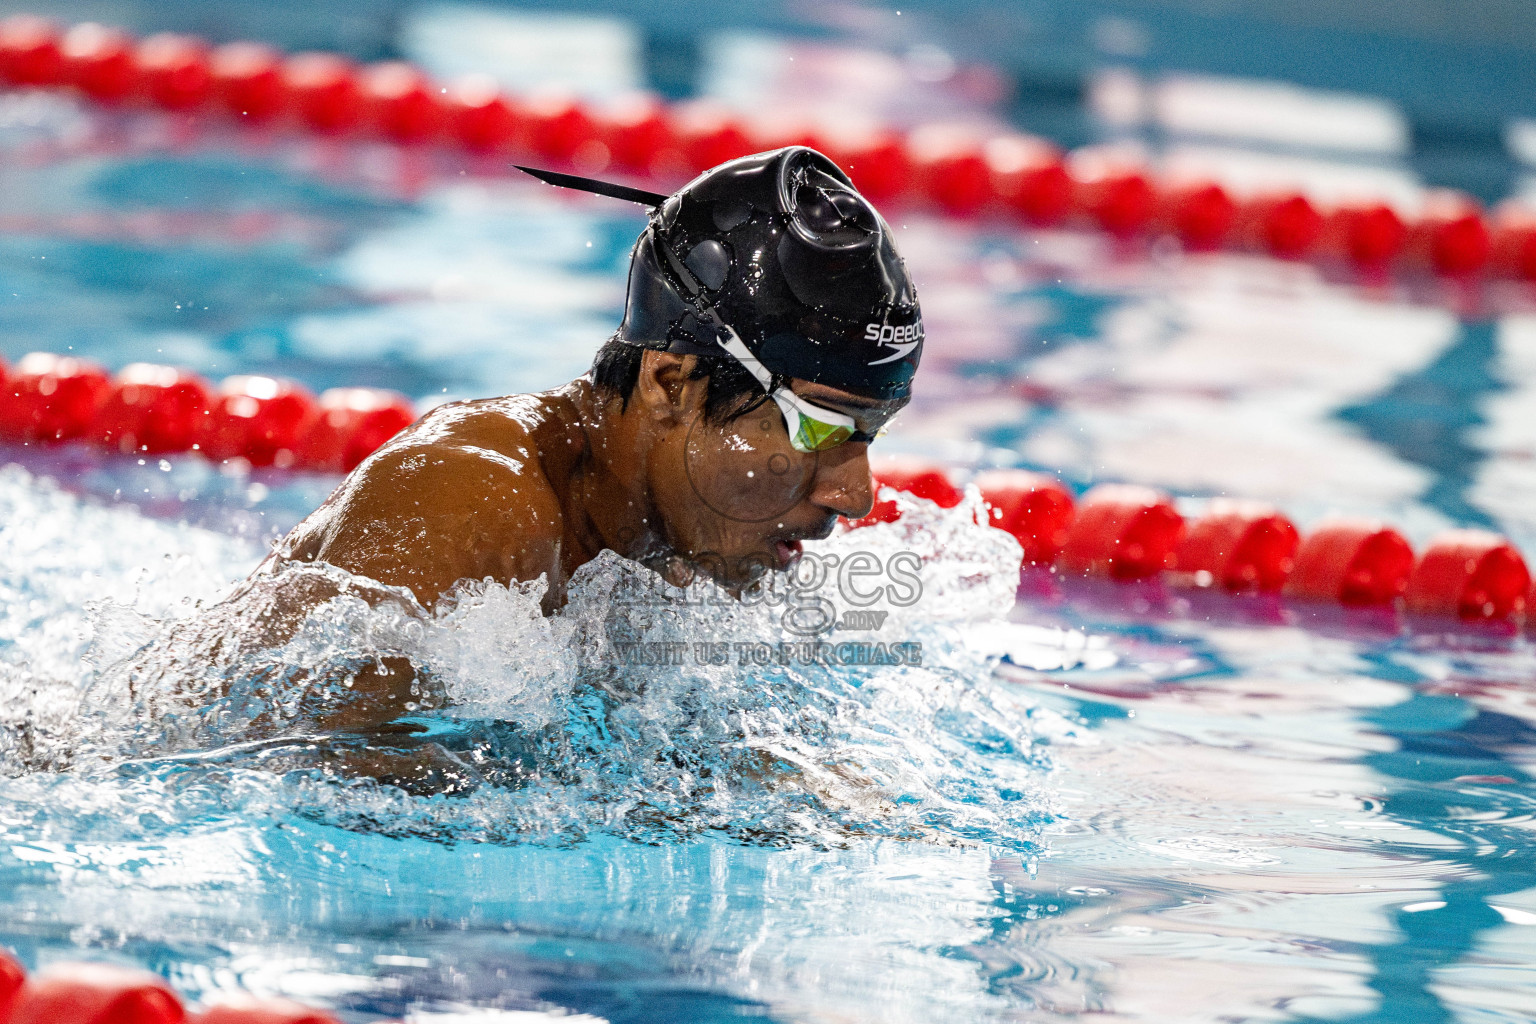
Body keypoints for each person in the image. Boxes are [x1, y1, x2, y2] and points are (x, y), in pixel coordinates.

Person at [170, 146, 925, 755]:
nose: (855, 495)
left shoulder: (673, 539)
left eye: (871, 437)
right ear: (670, 383)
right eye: (817, 428)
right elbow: (293, 766)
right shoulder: (470, 503)